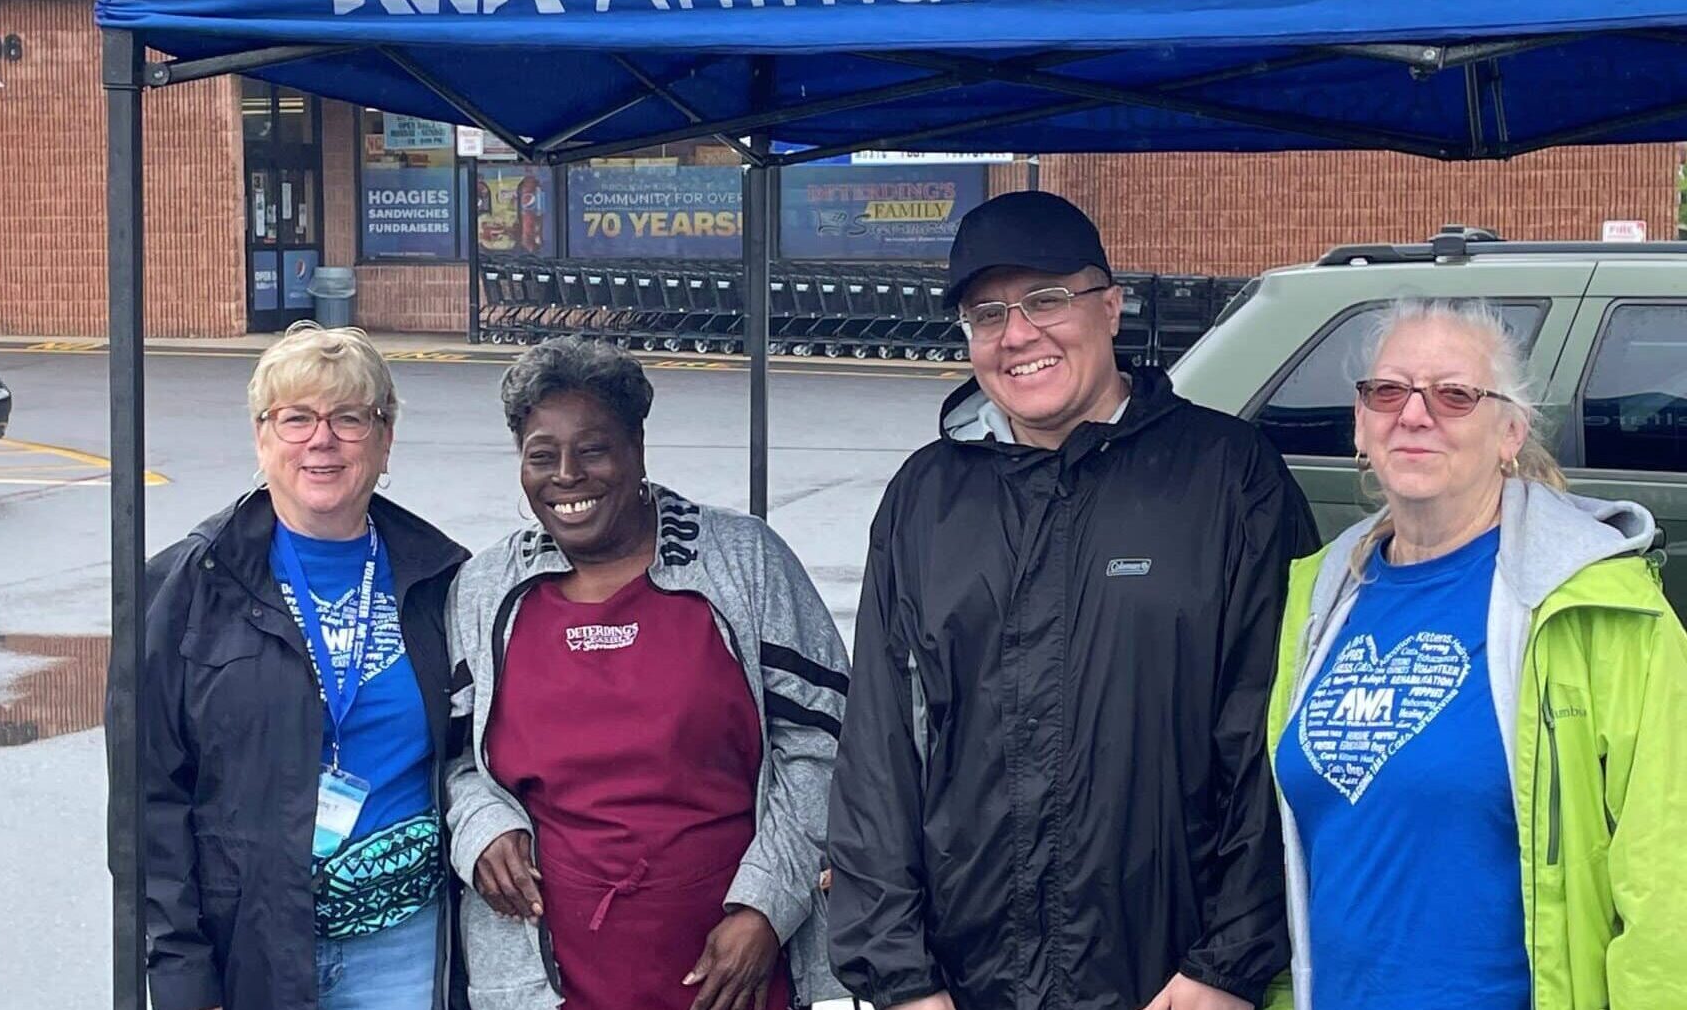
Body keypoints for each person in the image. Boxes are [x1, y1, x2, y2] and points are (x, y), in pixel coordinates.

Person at [828, 191, 1319, 1010]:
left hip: (1169, 978)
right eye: (988, 314)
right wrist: (900, 978)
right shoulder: (928, 495)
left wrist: (1228, 963)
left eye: (1046, 298)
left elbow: (1273, 734)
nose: (1018, 333)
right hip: (963, 982)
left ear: (1111, 305)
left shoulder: (1229, 478)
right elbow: (879, 753)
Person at [1266, 298, 1687, 1010]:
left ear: (1510, 432)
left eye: (1455, 394)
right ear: (1361, 425)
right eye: (1389, 390)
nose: (1416, 413)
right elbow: (1294, 856)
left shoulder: (1600, 608)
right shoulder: (1316, 598)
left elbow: (1666, 884)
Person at [444, 336, 850, 1010]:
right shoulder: (487, 588)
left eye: (594, 448)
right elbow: (453, 759)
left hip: (733, 972)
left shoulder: (741, 561)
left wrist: (766, 908)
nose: (567, 474)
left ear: (637, 447)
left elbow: (828, 745)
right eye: (542, 454)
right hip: (548, 978)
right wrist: (481, 826)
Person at [125, 323, 468, 1010]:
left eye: (349, 417)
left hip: (405, 950)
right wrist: (184, 978)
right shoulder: (188, 586)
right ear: (262, 436)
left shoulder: (443, 581)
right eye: (297, 417)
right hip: (253, 953)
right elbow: (148, 804)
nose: (323, 439)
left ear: (384, 436)